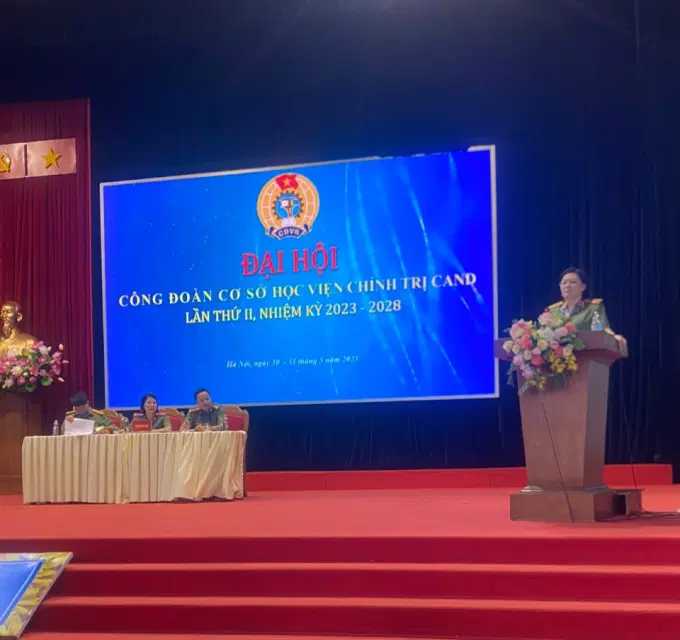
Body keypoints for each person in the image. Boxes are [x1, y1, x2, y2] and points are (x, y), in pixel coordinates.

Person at [547, 267, 626, 343]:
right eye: (564, 283)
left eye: (573, 282)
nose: (567, 286)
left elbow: (603, 329)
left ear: (583, 287)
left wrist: (614, 338)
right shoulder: (553, 311)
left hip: (586, 349)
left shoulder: (593, 308)